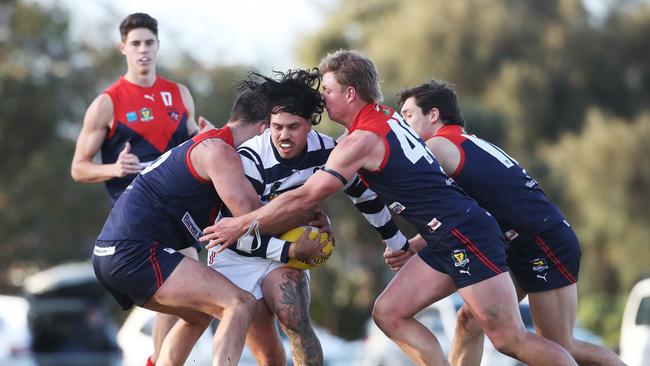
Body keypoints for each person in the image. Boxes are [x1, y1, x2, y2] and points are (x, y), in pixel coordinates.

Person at [200, 50, 579, 366]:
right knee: (389, 312)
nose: (322, 98)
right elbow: (365, 191)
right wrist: (398, 240)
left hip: (465, 233)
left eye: (327, 90)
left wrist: (242, 224)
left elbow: (305, 196)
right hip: (443, 234)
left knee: (509, 340)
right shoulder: (383, 118)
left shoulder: (362, 138)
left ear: (350, 93)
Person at [91, 75, 325, 366]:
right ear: (265, 127)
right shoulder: (220, 153)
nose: (280, 137)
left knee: (199, 314)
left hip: (111, 255)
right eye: (276, 127)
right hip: (135, 252)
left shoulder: (212, 146)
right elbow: (255, 220)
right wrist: (305, 215)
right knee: (239, 304)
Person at [392, 79, 625, 366]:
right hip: (517, 244)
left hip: (543, 242)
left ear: (434, 115)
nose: (402, 125)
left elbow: (403, 179)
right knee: (469, 320)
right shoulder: (464, 141)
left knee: (560, 345)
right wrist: (414, 244)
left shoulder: (437, 146)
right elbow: (458, 215)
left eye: (407, 115)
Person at [207, 68, 409, 366]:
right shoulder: (250, 158)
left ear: (310, 126)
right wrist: (291, 248)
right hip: (237, 255)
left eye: (293, 127)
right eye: (276, 127)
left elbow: (364, 196)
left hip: (284, 256)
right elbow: (237, 235)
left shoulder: (328, 151)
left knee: (295, 318)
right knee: (268, 354)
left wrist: (395, 242)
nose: (283, 136)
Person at [69, 13, 209, 365]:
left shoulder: (179, 94)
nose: (143, 50)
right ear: (123, 48)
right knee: (180, 281)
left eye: (149, 43)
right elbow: (78, 167)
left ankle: (159, 360)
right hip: (136, 217)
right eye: (135, 43)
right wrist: (114, 167)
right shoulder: (107, 103)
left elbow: (195, 144)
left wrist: (208, 136)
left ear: (158, 46)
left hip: (178, 211)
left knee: (192, 293)